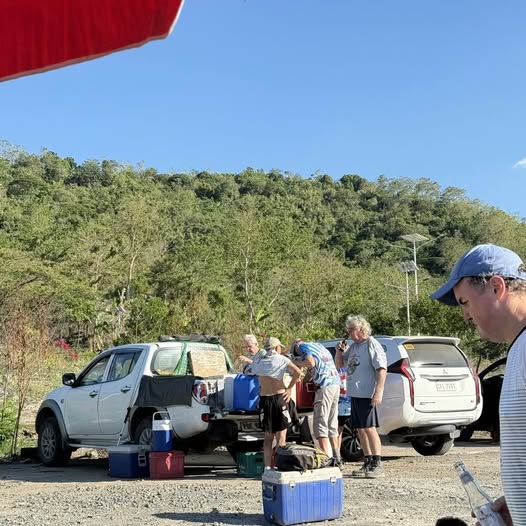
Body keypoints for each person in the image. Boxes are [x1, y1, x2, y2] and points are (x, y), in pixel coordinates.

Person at [431, 243, 526, 526]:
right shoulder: (518, 349)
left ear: (496, 287)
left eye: (465, 302)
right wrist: (518, 502)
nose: (465, 315)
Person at [334, 315, 387, 478]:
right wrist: (339, 352)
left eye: (352, 329)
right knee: (360, 428)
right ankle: (368, 460)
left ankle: (377, 463)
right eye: (348, 330)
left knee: (369, 428)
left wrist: (378, 391)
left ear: (362, 329)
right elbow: (340, 365)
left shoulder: (372, 344)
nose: (349, 333)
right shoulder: (354, 347)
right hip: (355, 393)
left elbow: (381, 369)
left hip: (367, 393)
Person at [241, 336, 301, 469]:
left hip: (265, 399)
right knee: (281, 436)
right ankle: (279, 466)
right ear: (276, 347)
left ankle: (267, 468)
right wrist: (289, 388)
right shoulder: (281, 359)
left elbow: (250, 370)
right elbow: (298, 372)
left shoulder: (258, 361)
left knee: (268, 437)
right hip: (280, 398)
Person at [290, 339, 342, 465]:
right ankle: (337, 457)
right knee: (332, 424)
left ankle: (327, 460)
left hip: (324, 386)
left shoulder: (302, 347)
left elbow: (310, 362)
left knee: (320, 425)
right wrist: (304, 381)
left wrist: (294, 362)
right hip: (335, 384)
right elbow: (312, 368)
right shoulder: (319, 347)